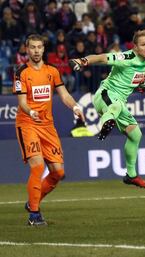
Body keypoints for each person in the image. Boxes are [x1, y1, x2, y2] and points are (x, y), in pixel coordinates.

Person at [13, 34, 85, 226]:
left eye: (39, 47)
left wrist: (76, 107)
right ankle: (34, 215)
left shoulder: (52, 71)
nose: (36, 51)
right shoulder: (21, 72)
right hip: (27, 123)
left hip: (47, 126)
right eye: (32, 47)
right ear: (27, 49)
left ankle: (32, 202)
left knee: (58, 173)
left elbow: (64, 94)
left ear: (44, 49)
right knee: (37, 166)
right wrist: (31, 111)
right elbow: (21, 103)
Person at [69, 29, 145, 189]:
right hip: (105, 95)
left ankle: (131, 175)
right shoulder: (127, 57)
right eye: (143, 45)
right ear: (135, 47)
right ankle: (107, 122)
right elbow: (102, 57)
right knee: (115, 106)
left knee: (136, 135)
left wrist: (144, 83)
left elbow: (140, 78)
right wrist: (82, 61)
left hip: (120, 102)